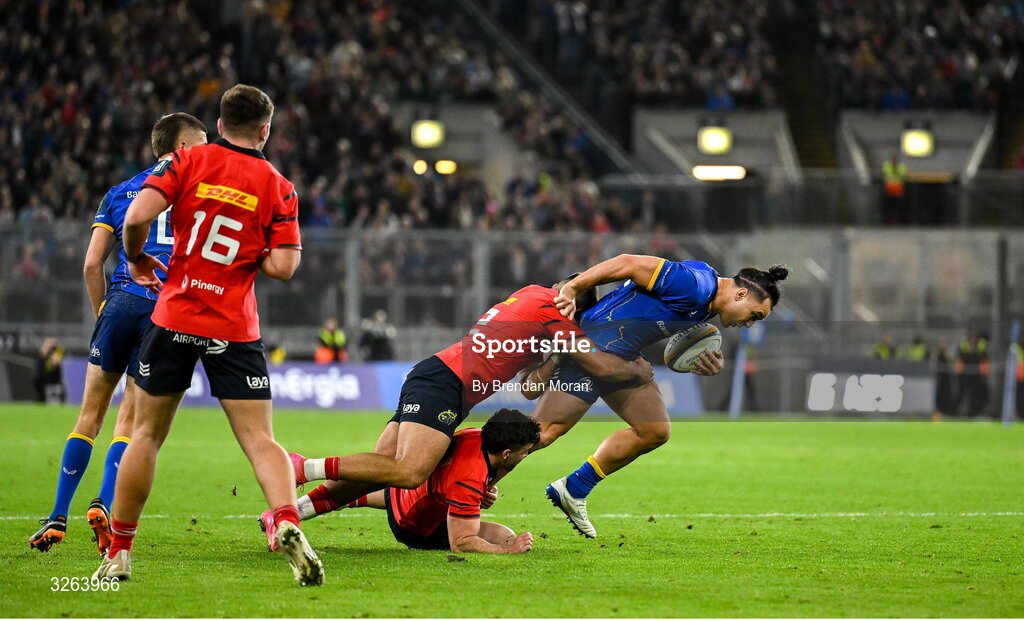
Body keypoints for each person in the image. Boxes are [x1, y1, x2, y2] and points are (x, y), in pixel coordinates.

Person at [93, 84, 323, 586]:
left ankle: (120, 553)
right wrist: (250, 250)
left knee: (146, 436)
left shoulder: (186, 161)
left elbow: (135, 217)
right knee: (261, 439)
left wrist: (134, 258)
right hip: (234, 325)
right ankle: (285, 519)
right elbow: (284, 266)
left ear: (219, 124)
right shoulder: (279, 186)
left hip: (174, 316)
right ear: (265, 130)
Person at [287, 275, 654, 523]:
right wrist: (637, 370)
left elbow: (528, 387)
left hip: (440, 377)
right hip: (446, 382)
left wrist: (557, 355)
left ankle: (292, 513)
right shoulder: (553, 311)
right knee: (410, 472)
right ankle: (301, 467)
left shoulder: (532, 297)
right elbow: (603, 368)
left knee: (380, 469)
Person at [29, 113, 208, 554]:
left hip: (120, 305)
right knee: (130, 421)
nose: (207, 153)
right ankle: (104, 504)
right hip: (164, 313)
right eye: (202, 145)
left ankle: (56, 515)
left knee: (89, 415)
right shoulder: (198, 191)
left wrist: (103, 314)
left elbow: (92, 265)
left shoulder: (119, 192)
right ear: (182, 149)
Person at [529, 255, 786, 538]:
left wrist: (704, 359)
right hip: (595, 347)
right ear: (741, 294)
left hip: (622, 356)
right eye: (754, 315)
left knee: (654, 430)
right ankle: (476, 473)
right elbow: (628, 263)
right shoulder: (696, 285)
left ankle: (573, 489)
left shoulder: (709, 295)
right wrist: (573, 287)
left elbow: (659, 320)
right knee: (541, 434)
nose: (749, 324)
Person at [262, 410, 538, 555]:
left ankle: (284, 514)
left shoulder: (473, 435)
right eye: (525, 451)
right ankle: (307, 467)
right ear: (505, 453)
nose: (526, 455)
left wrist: (480, 492)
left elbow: (447, 477)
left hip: (405, 492)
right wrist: (506, 550)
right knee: (503, 534)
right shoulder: (468, 480)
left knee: (358, 490)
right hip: (414, 527)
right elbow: (462, 543)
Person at [32, 337, 65, 404]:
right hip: (43, 377)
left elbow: (56, 363)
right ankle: (40, 400)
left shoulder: (57, 351)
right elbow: (39, 366)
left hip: (53, 377)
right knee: (37, 381)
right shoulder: (42, 353)